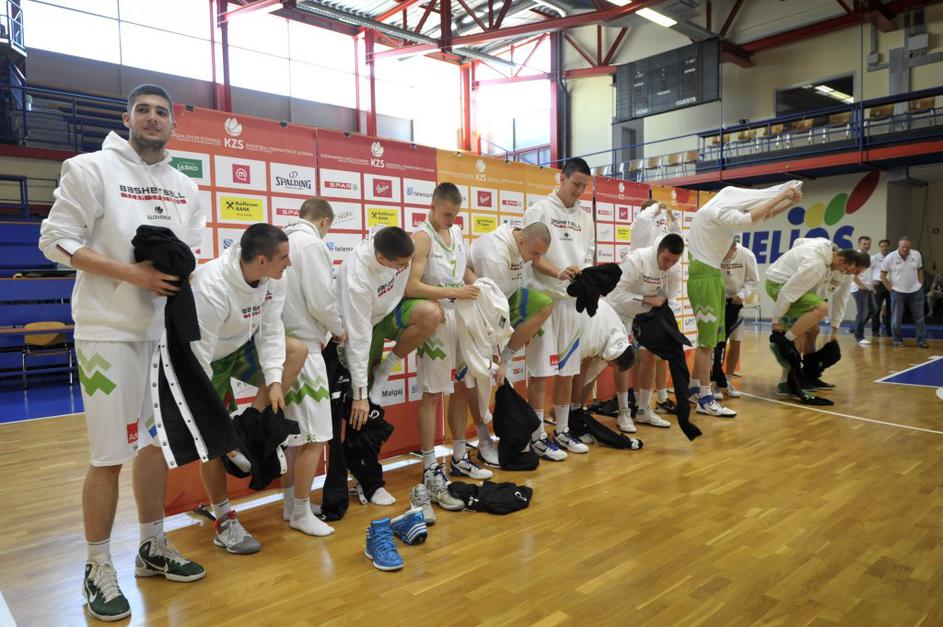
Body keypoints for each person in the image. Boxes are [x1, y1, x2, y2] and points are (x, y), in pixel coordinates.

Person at [38, 84, 207, 621]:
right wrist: (132, 274)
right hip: (107, 332)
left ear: (174, 125)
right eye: (143, 110)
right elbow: (55, 240)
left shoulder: (185, 186)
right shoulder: (89, 168)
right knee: (109, 456)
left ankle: (152, 545)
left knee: (155, 448)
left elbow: (189, 257)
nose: (153, 118)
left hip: (162, 336)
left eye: (162, 112)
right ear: (127, 118)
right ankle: (96, 565)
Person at [190, 223, 307, 553]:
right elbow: (198, 353)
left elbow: (270, 330)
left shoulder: (274, 278)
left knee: (296, 351)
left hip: (239, 346)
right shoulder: (211, 286)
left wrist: (274, 381)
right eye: (284, 258)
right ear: (261, 260)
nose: (289, 263)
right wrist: (212, 417)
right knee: (212, 444)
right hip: (203, 358)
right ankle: (223, 518)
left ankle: (249, 425)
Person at [336, 226, 442, 505]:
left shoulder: (398, 245)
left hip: (388, 314)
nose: (407, 269)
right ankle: (367, 482)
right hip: (359, 328)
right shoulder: (356, 278)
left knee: (431, 313)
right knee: (362, 407)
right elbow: (358, 339)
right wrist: (361, 395)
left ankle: (386, 368)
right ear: (382, 259)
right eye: (401, 265)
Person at [687, 182, 802, 416]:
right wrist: (781, 194)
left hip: (712, 275)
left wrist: (787, 202)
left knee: (711, 340)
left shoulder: (720, 210)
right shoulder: (715, 211)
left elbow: (761, 216)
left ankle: (694, 389)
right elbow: (748, 219)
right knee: (708, 342)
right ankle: (705, 399)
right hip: (705, 276)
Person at [402, 182, 484, 513]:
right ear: (433, 207)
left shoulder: (457, 232)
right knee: (432, 394)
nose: (451, 220)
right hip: (435, 320)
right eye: (447, 214)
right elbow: (411, 287)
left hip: (460, 316)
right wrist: (454, 293)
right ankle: (428, 465)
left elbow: (463, 272)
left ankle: (460, 455)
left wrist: (479, 284)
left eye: (455, 215)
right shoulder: (421, 237)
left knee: (463, 386)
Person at [280, 198, 348, 536]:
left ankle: (292, 504)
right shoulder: (312, 245)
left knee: (294, 434)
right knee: (316, 435)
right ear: (324, 221)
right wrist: (338, 330)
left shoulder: (284, 240)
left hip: (283, 345)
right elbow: (322, 301)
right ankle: (301, 511)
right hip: (305, 347)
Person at [523, 157, 595, 459]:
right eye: (575, 183)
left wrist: (583, 275)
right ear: (561, 178)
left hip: (572, 303)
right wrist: (558, 272)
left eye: (584, 186)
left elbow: (588, 256)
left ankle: (562, 429)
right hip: (543, 301)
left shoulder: (586, 218)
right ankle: (537, 435)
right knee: (541, 372)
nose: (579, 190)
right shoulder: (539, 210)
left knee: (568, 371)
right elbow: (531, 255)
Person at [466, 221, 553, 465]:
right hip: (476, 311)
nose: (536, 259)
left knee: (543, 304)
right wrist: (496, 358)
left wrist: (519, 334)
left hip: (500, 305)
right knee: (479, 378)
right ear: (522, 241)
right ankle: (484, 439)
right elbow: (489, 308)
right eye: (535, 253)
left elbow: (510, 291)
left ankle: (503, 358)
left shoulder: (521, 244)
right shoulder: (494, 254)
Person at [765, 238, 870, 396]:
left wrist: (835, 329)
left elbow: (841, 299)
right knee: (801, 332)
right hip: (784, 287)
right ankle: (787, 381)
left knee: (813, 330)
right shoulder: (817, 263)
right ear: (845, 261)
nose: (855, 274)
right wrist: (776, 321)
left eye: (858, 272)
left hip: (802, 291)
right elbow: (789, 290)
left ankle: (809, 375)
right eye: (855, 271)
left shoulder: (842, 268)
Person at [606, 234, 685, 430]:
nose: (669, 264)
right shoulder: (637, 260)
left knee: (650, 356)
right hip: (621, 310)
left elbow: (670, 299)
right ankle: (624, 412)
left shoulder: (675, 269)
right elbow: (616, 294)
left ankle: (644, 410)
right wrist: (647, 299)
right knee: (624, 359)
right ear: (659, 250)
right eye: (666, 259)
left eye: (674, 261)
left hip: (647, 314)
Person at [615, 199, 681, 420]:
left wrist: (670, 216)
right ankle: (626, 408)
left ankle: (648, 406)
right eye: (658, 217)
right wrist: (658, 206)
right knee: (627, 357)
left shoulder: (667, 246)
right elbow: (643, 218)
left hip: (649, 307)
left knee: (652, 356)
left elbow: (677, 238)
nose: (661, 222)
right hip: (629, 303)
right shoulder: (642, 231)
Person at [570, 299, 637, 411]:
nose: (609, 366)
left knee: (592, 372)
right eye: (612, 365)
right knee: (575, 371)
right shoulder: (592, 341)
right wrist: (570, 406)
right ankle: (572, 409)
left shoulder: (620, 341)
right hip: (576, 314)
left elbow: (591, 375)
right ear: (614, 359)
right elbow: (576, 371)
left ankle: (577, 409)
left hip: (596, 312)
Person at [712, 238, 759, 398]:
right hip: (717, 302)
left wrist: (742, 295)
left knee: (736, 341)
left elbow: (753, 280)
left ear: (734, 247)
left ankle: (727, 379)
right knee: (716, 343)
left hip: (737, 303)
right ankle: (715, 382)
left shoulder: (747, 255)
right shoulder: (715, 251)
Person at [881, 236, 928, 348]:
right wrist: (890, 289)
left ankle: (921, 341)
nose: (905, 249)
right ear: (898, 246)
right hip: (897, 292)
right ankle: (897, 340)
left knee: (920, 318)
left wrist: (920, 284)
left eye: (907, 247)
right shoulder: (890, 257)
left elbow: (920, 269)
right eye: (903, 247)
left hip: (915, 291)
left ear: (911, 246)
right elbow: (882, 275)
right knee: (896, 318)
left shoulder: (916, 254)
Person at [850, 235, 875, 346]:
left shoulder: (867, 256)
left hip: (868, 288)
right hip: (859, 289)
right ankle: (859, 337)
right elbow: (852, 274)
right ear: (859, 244)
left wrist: (871, 286)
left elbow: (868, 273)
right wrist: (861, 286)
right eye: (864, 244)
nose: (867, 246)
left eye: (868, 244)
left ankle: (854, 328)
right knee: (862, 312)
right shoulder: (856, 256)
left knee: (873, 310)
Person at [871, 239, 892, 337]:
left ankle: (890, 332)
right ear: (880, 247)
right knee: (876, 309)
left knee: (890, 310)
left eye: (886, 246)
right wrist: (872, 281)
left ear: (889, 246)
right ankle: (875, 331)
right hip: (878, 285)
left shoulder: (893, 257)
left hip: (891, 284)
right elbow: (867, 270)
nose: (884, 248)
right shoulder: (874, 258)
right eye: (882, 246)